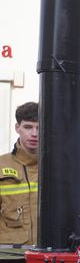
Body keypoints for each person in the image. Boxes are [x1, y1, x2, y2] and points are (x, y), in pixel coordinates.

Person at [0, 102, 39, 245]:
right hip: (8, 256)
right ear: (17, 128)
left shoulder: (57, 168)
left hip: (49, 257)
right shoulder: (1, 166)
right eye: (28, 127)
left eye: (39, 128)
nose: (34, 134)